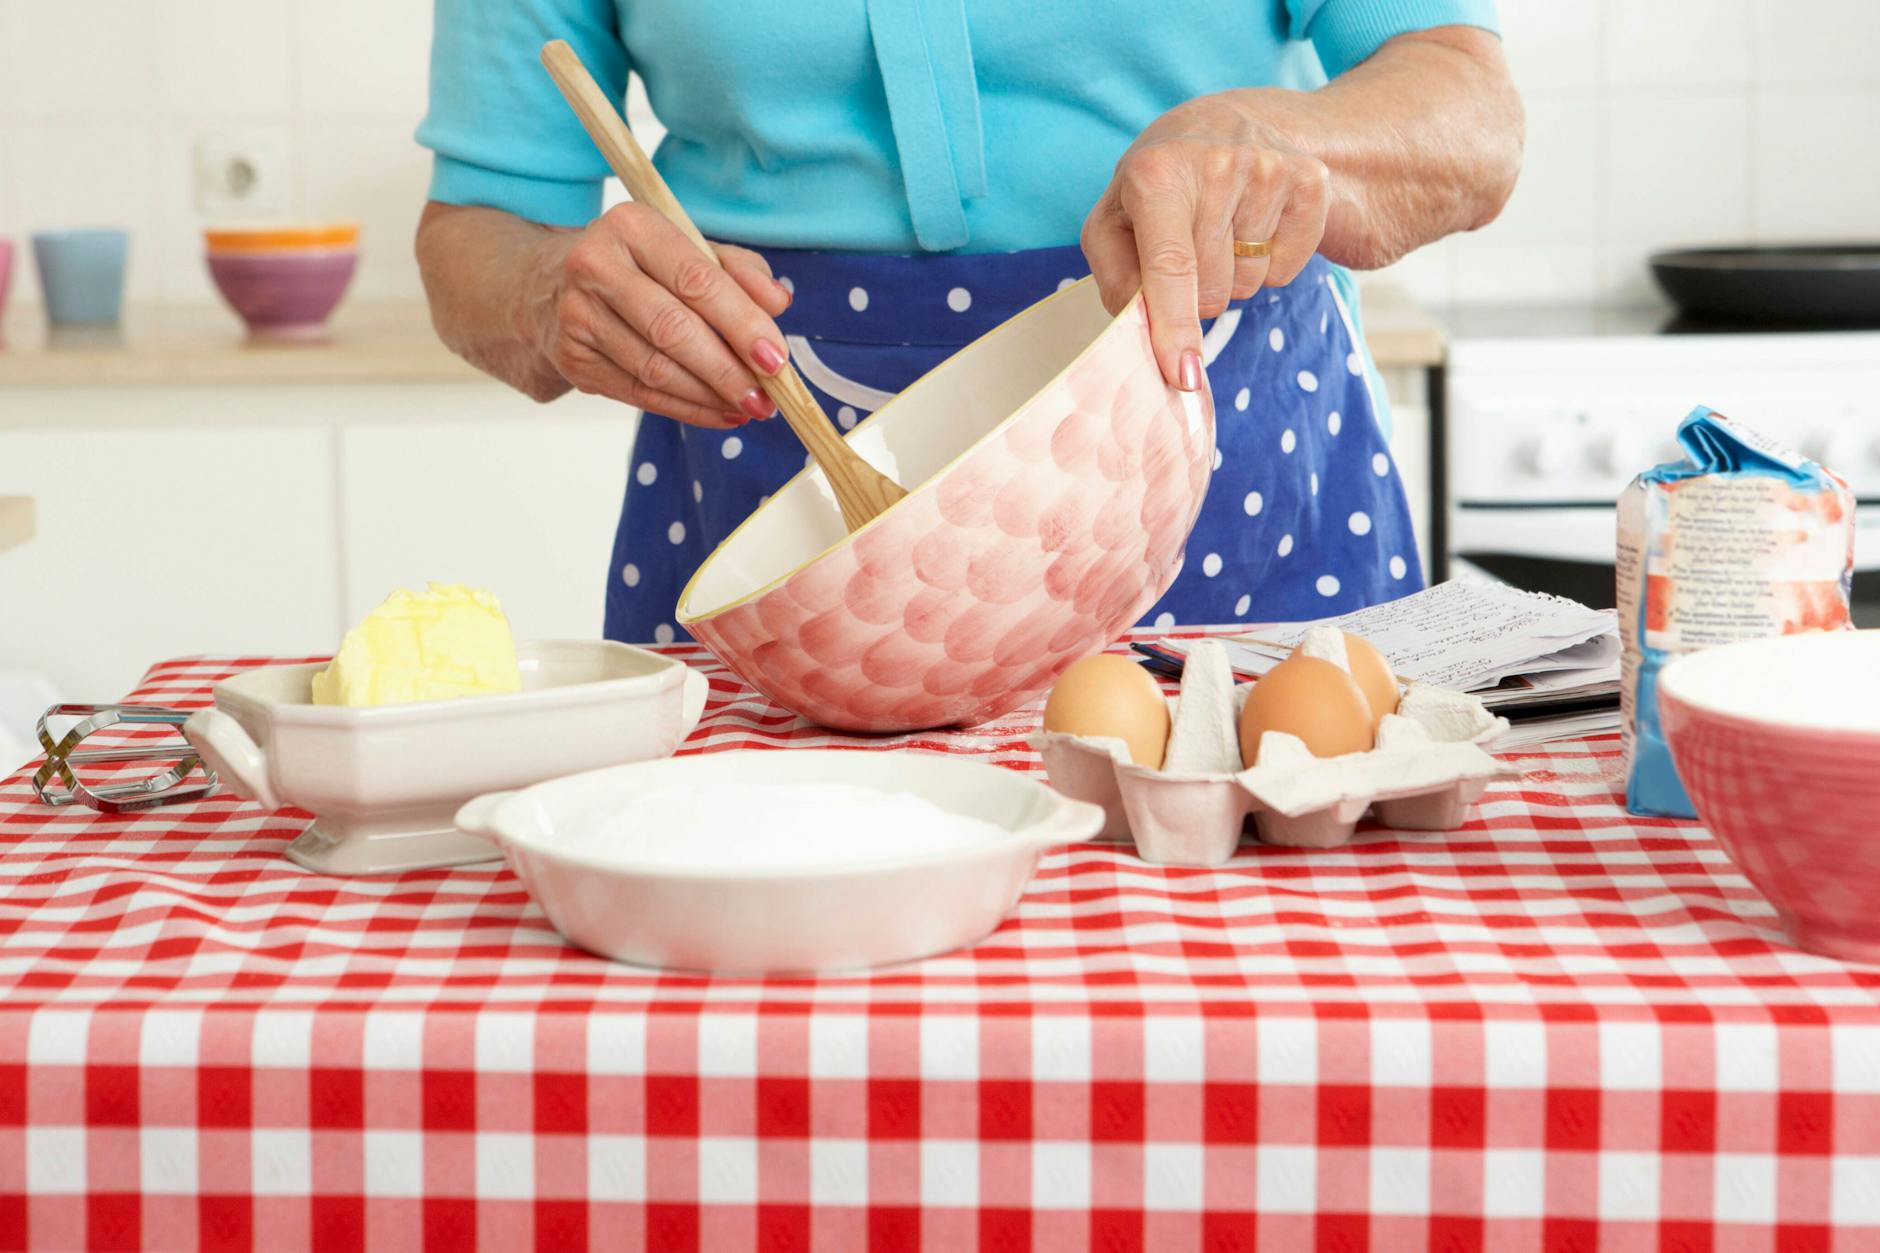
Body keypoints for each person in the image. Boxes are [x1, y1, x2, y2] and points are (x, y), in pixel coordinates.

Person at [416, 1, 1522, 645]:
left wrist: (1277, 141)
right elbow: (476, 229)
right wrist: (547, 289)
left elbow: (1471, 117)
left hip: (1239, 495)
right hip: (777, 511)